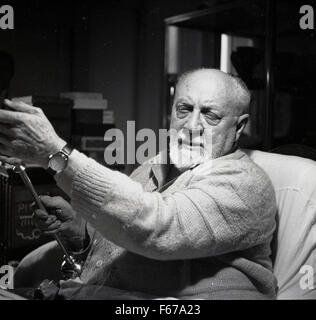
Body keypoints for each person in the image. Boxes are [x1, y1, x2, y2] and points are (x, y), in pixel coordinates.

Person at [0, 69, 277, 300]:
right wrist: (81, 233)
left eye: (210, 115)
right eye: (184, 109)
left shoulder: (246, 183)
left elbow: (157, 226)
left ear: (239, 127)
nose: (191, 125)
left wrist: (55, 154)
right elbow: (128, 231)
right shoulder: (156, 165)